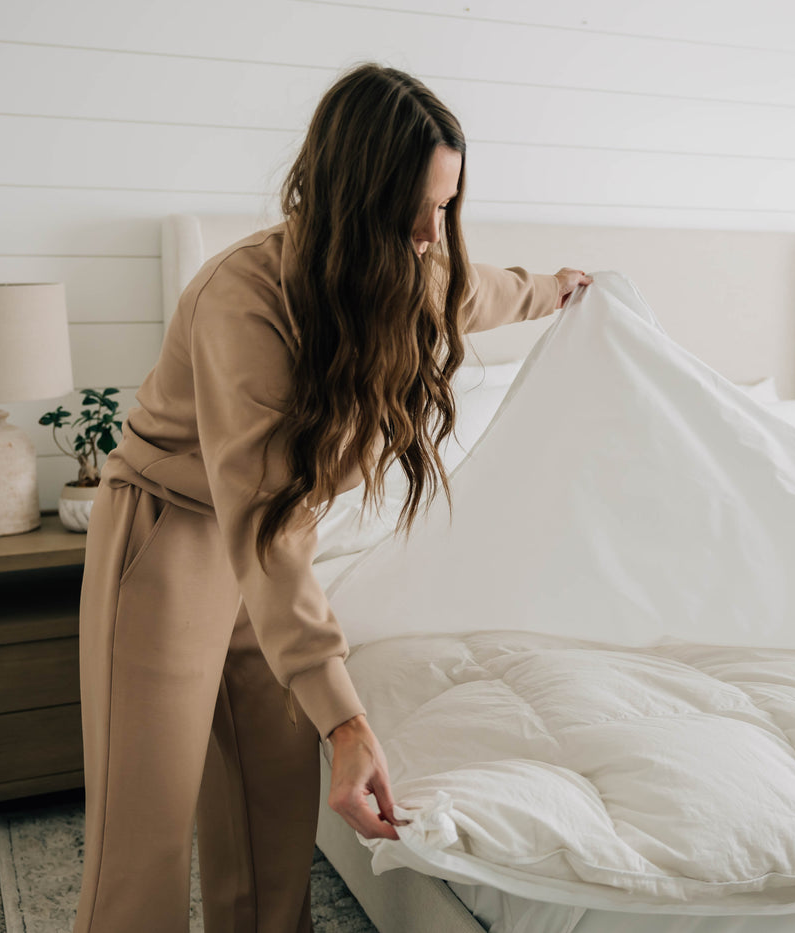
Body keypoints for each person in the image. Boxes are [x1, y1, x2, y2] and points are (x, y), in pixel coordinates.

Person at [73, 64, 591, 933]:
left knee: (270, 823)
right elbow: (263, 517)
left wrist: (559, 289)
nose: (434, 231)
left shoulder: (413, 267)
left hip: (274, 557)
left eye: (448, 205)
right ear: (355, 198)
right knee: (144, 842)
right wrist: (345, 718)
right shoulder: (241, 298)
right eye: (417, 208)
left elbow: (484, 287)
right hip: (170, 541)